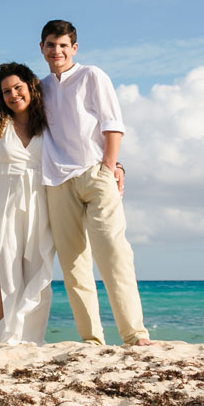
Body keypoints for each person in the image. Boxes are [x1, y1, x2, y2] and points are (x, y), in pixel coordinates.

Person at [36, 20, 152, 346]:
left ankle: (134, 334)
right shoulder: (40, 87)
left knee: (114, 253)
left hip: (94, 174)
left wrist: (110, 167)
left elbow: (112, 125)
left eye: (62, 45)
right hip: (56, 181)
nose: (56, 51)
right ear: (42, 48)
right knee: (73, 265)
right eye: (50, 45)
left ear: (74, 48)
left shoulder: (92, 75)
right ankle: (92, 339)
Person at [0, 62, 54, 345]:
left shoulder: (49, 123)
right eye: (6, 91)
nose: (13, 94)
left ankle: (31, 339)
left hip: (40, 203)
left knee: (38, 269)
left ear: (31, 86)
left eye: (17, 87)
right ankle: (6, 338)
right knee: (5, 270)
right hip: (2, 204)